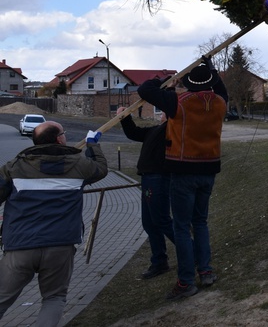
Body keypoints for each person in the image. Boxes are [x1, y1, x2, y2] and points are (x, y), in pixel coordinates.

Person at [0, 121, 108, 325]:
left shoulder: (14, 167)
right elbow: (100, 169)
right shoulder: (79, 165)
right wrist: (93, 145)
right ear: (59, 139)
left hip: (20, 245)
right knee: (54, 298)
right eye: (64, 133)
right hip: (60, 246)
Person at [138, 59, 227, 300]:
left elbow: (145, 90)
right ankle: (206, 271)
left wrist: (164, 80)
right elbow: (220, 88)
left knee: (181, 227)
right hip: (209, 170)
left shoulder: (178, 102)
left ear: (188, 83)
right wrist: (212, 71)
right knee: (201, 223)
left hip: (183, 171)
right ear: (211, 82)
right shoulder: (220, 102)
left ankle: (186, 282)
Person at [117, 105, 175, 280]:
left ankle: (193, 251)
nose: (162, 112)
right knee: (149, 223)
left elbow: (173, 108)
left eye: (165, 110)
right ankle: (159, 262)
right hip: (149, 179)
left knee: (162, 220)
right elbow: (134, 133)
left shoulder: (173, 129)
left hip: (160, 178)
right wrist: (124, 117)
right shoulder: (155, 130)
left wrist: (170, 90)